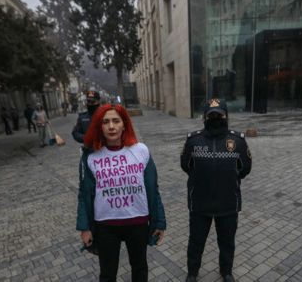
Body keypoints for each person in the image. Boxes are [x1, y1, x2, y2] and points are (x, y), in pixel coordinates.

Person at [77, 104, 166, 282]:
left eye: (116, 121)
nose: (111, 126)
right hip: (106, 226)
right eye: (106, 122)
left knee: (139, 268)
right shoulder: (91, 156)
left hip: (138, 222)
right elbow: (84, 195)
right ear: (99, 126)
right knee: (108, 273)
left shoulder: (141, 151)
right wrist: (85, 228)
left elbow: (152, 189)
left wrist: (160, 221)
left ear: (124, 124)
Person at [181, 99, 252, 282]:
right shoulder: (193, 141)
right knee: (196, 242)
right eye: (211, 115)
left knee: (227, 242)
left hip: (228, 203)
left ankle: (226, 271)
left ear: (226, 115)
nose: (215, 118)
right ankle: (192, 272)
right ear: (204, 117)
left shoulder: (237, 141)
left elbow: (245, 168)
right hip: (199, 203)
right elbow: (185, 165)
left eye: (219, 115)